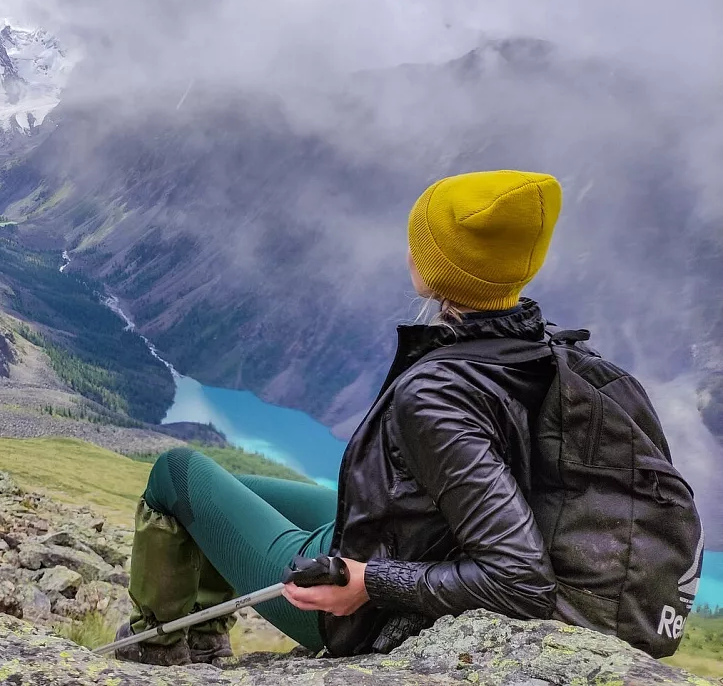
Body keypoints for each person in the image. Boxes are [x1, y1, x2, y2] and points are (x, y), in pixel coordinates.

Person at [116, 169, 563, 665]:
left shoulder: (436, 394)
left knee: (174, 472)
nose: (409, 253)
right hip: (408, 544)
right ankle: (203, 635)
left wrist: (369, 582)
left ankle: (153, 648)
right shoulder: (538, 350)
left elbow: (522, 580)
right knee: (229, 486)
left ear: (446, 267)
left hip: (350, 604)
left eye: (422, 244)